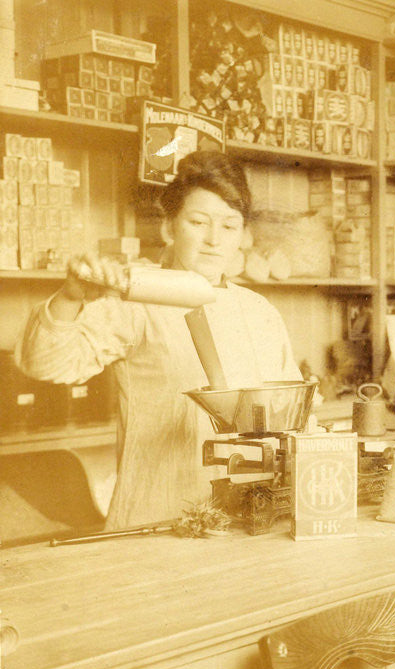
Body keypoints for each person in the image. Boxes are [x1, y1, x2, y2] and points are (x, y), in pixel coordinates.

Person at [16, 151, 301, 530]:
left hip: (248, 521)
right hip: (157, 516)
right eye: (198, 222)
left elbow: (294, 416)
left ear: (243, 236)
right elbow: (44, 363)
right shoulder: (138, 298)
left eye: (229, 226)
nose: (214, 240)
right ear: (169, 227)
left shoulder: (260, 312)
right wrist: (71, 298)